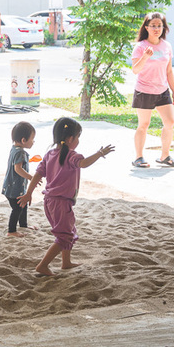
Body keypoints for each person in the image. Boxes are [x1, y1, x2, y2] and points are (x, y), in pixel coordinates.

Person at [18, 117, 114, 276]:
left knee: (68, 231)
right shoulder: (72, 155)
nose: (78, 141)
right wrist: (99, 153)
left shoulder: (49, 154)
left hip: (50, 202)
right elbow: (84, 163)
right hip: (60, 203)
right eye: (78, 137)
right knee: (65, 236)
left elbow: (38, 174)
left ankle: (66, 262)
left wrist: (29, 193)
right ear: (70, 139)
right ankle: (43, 265)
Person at [130, 12, 174, 168]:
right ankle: (139, 157)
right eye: (153, 26)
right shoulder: (141, 46)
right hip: (144, 90)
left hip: (162, 90)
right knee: (144, 125)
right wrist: (144, 57)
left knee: (170, 122)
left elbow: (169, 71)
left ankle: (165, 156)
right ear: (146, 27)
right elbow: (135, 70)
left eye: (159, 25)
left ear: (164, 27)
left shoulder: (166, 46)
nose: (156, 28)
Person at [2, 121, 37, 237]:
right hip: (14, 188)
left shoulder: (14, 149)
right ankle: (11, 231)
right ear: (23, 140)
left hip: (12, 186)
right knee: (17, 208)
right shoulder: (20, 153)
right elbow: (18, 169)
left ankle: (23, 225)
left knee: (23, 204)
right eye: (32, 139)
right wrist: (30, 177)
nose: (33, 141)